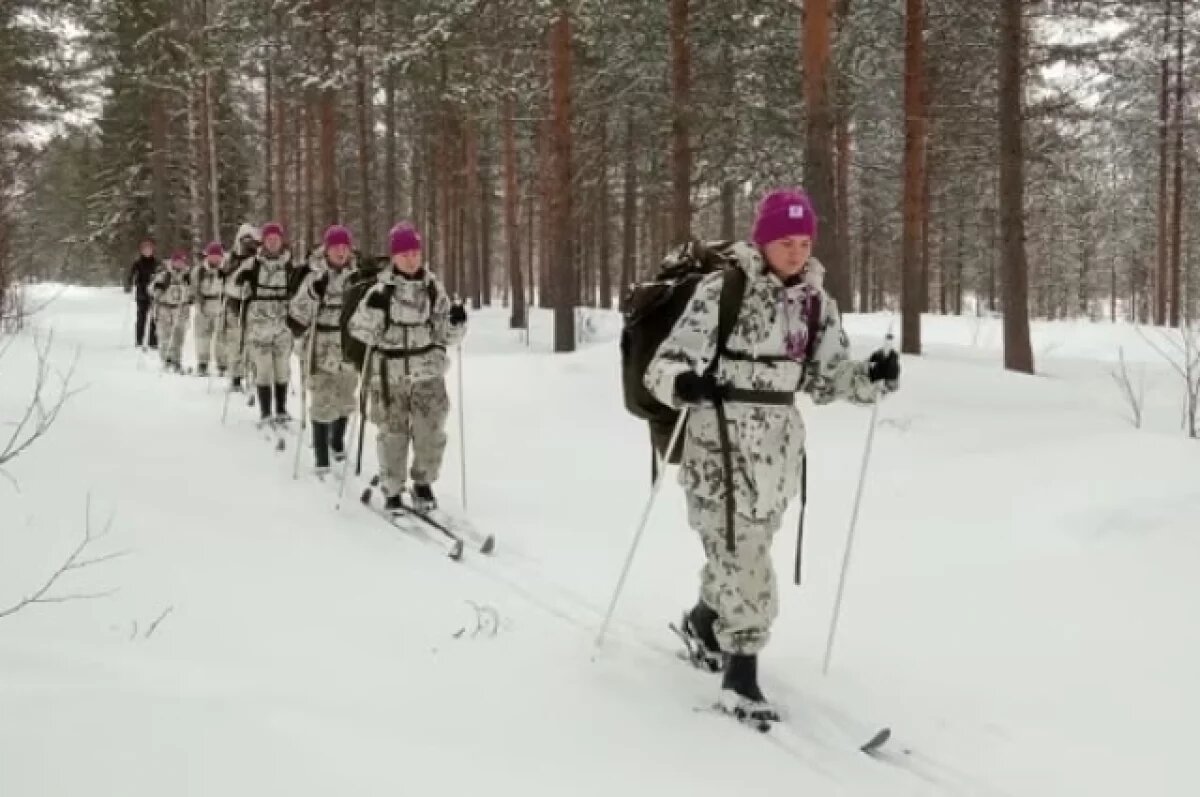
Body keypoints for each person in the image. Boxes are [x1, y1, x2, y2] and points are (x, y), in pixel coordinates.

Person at [644, 188, 900, 724]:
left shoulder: (816, 302)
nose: (796, 252)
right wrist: (684, 383)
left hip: (778, 457)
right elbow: (662, 365)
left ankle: (703, 621)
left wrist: (871, 377)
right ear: (763, 241)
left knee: (744, 551)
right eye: (786, 241)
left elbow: (827, 380)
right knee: (745, 559)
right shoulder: (723, 290)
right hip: (718, 448)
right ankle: (741, 675)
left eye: (804, 242)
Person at [347, 223, 468, 512]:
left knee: (431, 432)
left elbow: (447, 336)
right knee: (393, 435)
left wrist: (456, 322)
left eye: (415, 253)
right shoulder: (380, 291)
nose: (412, 259)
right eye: (405, 254)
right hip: (390, 375)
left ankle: (423, 483)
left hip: (428, 372)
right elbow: (357, 329)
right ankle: (392, 489)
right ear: (394, 257)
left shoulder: (433, 289)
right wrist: (373, 313)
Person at [288, 225, 361, 475]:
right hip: (320, 346)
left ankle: (337, 439)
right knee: (322, 399)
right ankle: (321, 455)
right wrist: (312, 294)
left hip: (348, 345)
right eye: (336, 247)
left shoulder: (357, 277)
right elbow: (296, 315)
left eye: (345, 247)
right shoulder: (314, 276)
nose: (341, 252)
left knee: (345, 397)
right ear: (327, 250)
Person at [231, 221, 296, 426]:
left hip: (282, 324)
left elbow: (299, 292)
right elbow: (232, 289)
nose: (273, 242)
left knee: (282, 368)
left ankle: (281, 409)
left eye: (276, 239)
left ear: (282, 241)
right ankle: (266, 411)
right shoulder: (252, 264)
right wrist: (242, 286)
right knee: (264, 368)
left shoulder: (289, 265)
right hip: (259, 324)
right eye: (269, 239)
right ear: (264, 242)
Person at [223, 224, 262, 393]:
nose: (248, 244)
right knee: (236, 341)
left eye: (251, 240)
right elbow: (226, 278)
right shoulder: (232, 259)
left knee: (253, 341)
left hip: (254, 304)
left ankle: (255, 375)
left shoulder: (259, 259)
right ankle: (236, 376)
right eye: (245, 240)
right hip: (235, 303)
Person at [149, 250, 194, 372]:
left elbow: (193, 291)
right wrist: (157, 288)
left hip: (181, 309)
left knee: (179, 336)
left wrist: (191, 297)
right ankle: (166, 359)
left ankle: (176, 360)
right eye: (177, 261)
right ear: (172, 262)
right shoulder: (164, 275)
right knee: (165, 336)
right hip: (165, 308)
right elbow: (152, 289)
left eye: (181, 262)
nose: (179, 264)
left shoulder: (187, 276)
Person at [192, 243, 227, 377]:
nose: (215, 259)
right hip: (204, 305)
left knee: (221, 337)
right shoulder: (199, 271)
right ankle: (202, 362)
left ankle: (222, 364)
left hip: (220, 304)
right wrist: (198, 301)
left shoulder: (225, 270)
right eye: (212, 256)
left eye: (218, 256)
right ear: (207, 256)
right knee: (202, 337)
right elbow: (194, 288)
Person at [125, 238, 161, 350]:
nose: (147, 251)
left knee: (154, 318)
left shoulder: (157, 263)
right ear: (141, 251)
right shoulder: (138, 263)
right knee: (141, 317)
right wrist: (130, 283)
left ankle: (153, 341)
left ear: (152, 250)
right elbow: (131, 275)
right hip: (142, 293)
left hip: (154, 293)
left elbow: (162, 275)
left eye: (149, 249)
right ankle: (139, 339)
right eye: (145, 249)